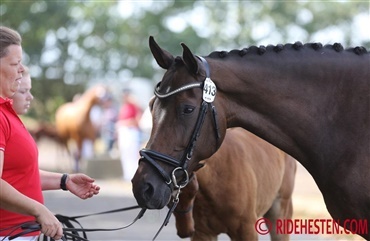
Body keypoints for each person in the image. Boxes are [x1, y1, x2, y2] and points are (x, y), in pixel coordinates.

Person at [0, 26, 100, 241]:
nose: (21, 70)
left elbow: (18, 175)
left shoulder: (6, 113)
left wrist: (64, 180)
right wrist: (40, 211)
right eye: (15, 64)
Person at [116, 89, 142, 181]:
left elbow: (137, 120)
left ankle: (134, 175)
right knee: (125, 154)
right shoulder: (123, 107)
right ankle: (127, 175)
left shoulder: (134, 106)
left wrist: (124, 123)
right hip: (123, 132)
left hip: (131, 131)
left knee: (133, 154)